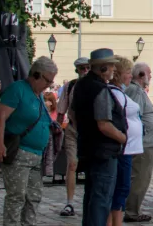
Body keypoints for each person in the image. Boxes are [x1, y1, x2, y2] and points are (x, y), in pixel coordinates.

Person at [0, 57, 56, 226]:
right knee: (17, 196)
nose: (49, 85)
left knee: (33, 197)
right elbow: (0, 117)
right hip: (19, 153)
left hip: (36, 155)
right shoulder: (18, 89)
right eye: (48, 80)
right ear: (36, 75)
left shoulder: (38, 94)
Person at [72, 48, 128, 226]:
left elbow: (73, 115)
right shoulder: (99, 89)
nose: (113, 70)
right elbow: (103, 124)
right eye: (111, 66)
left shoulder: (81, 84)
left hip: (88, 147)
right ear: (103, 68)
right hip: (103, 150)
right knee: (101, 198)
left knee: (92, 196)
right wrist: (123, 138)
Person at [108, 57, 143, 226]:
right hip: (122, 147)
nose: (131, 76)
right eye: (128, 72)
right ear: (119, 74)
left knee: (121, 188)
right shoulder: (113, 93)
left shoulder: (120, 92)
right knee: (120, 187)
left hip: (127, 147)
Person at [124, 62, 153, 223]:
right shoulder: (135, 90)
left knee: (141, 176)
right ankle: (131, 211)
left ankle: (132, 209)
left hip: (146, 142)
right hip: (143, 143)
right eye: (149, 73)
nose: (151, 76)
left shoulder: (138, 90)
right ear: (141, 75)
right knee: (140, 177)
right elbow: (134, 115)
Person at [56, 57, 90, 218]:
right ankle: (69, 202)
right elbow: (61, 111)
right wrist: (57, 129)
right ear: (77, 70)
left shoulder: (96, 86)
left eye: (87, 67)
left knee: (92, 166)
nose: (85, 71)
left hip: (90, 132)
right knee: (72, 164)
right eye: (82, 68)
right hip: (72, 129)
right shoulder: (70, 86)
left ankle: (91, 201)